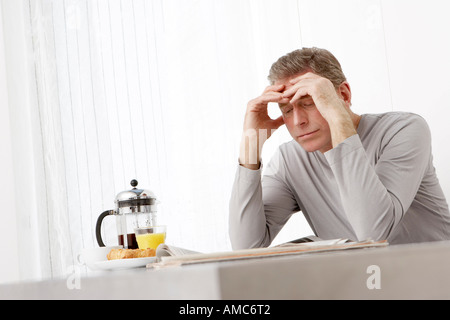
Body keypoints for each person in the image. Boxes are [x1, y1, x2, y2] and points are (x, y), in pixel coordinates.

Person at [229, 47, 450, 249]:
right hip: (366, 285)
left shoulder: (403, 130)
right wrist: (251, 142)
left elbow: (373, 234)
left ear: (343, 95)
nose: (297, 121)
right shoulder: (289, 160)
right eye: (286, 110)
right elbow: (246, 248)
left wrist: (337, 120)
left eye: (309, 103)